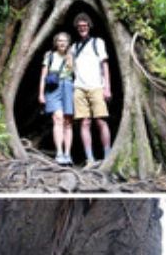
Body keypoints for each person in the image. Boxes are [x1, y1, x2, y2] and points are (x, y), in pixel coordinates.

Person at [71, 13, 112, 167]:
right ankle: (90, 159)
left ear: (89, 26)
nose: (83, 28)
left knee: (101, 121)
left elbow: (105, 65)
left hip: (96, 86)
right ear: (77, 28)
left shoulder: (97, 42)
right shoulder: (74, 47)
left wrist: (106, 87)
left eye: (85, 26)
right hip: (79, 88)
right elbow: (68, 66)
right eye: (80, 26)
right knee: (85, 123)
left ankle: (108, 156)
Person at [38, 32, 76, 165]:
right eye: (59, 40)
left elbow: (79, 73)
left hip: (68, 87)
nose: (62, 43)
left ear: (68, 43)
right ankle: (59, 153)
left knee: (68, 122)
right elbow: (43, 76)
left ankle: (67, 154)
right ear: (56, 43)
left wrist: (71, 60)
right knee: (58, 118)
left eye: (65, 41)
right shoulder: (49, 56)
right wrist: (41, 94)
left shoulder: (73, 56)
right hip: (53, 88)